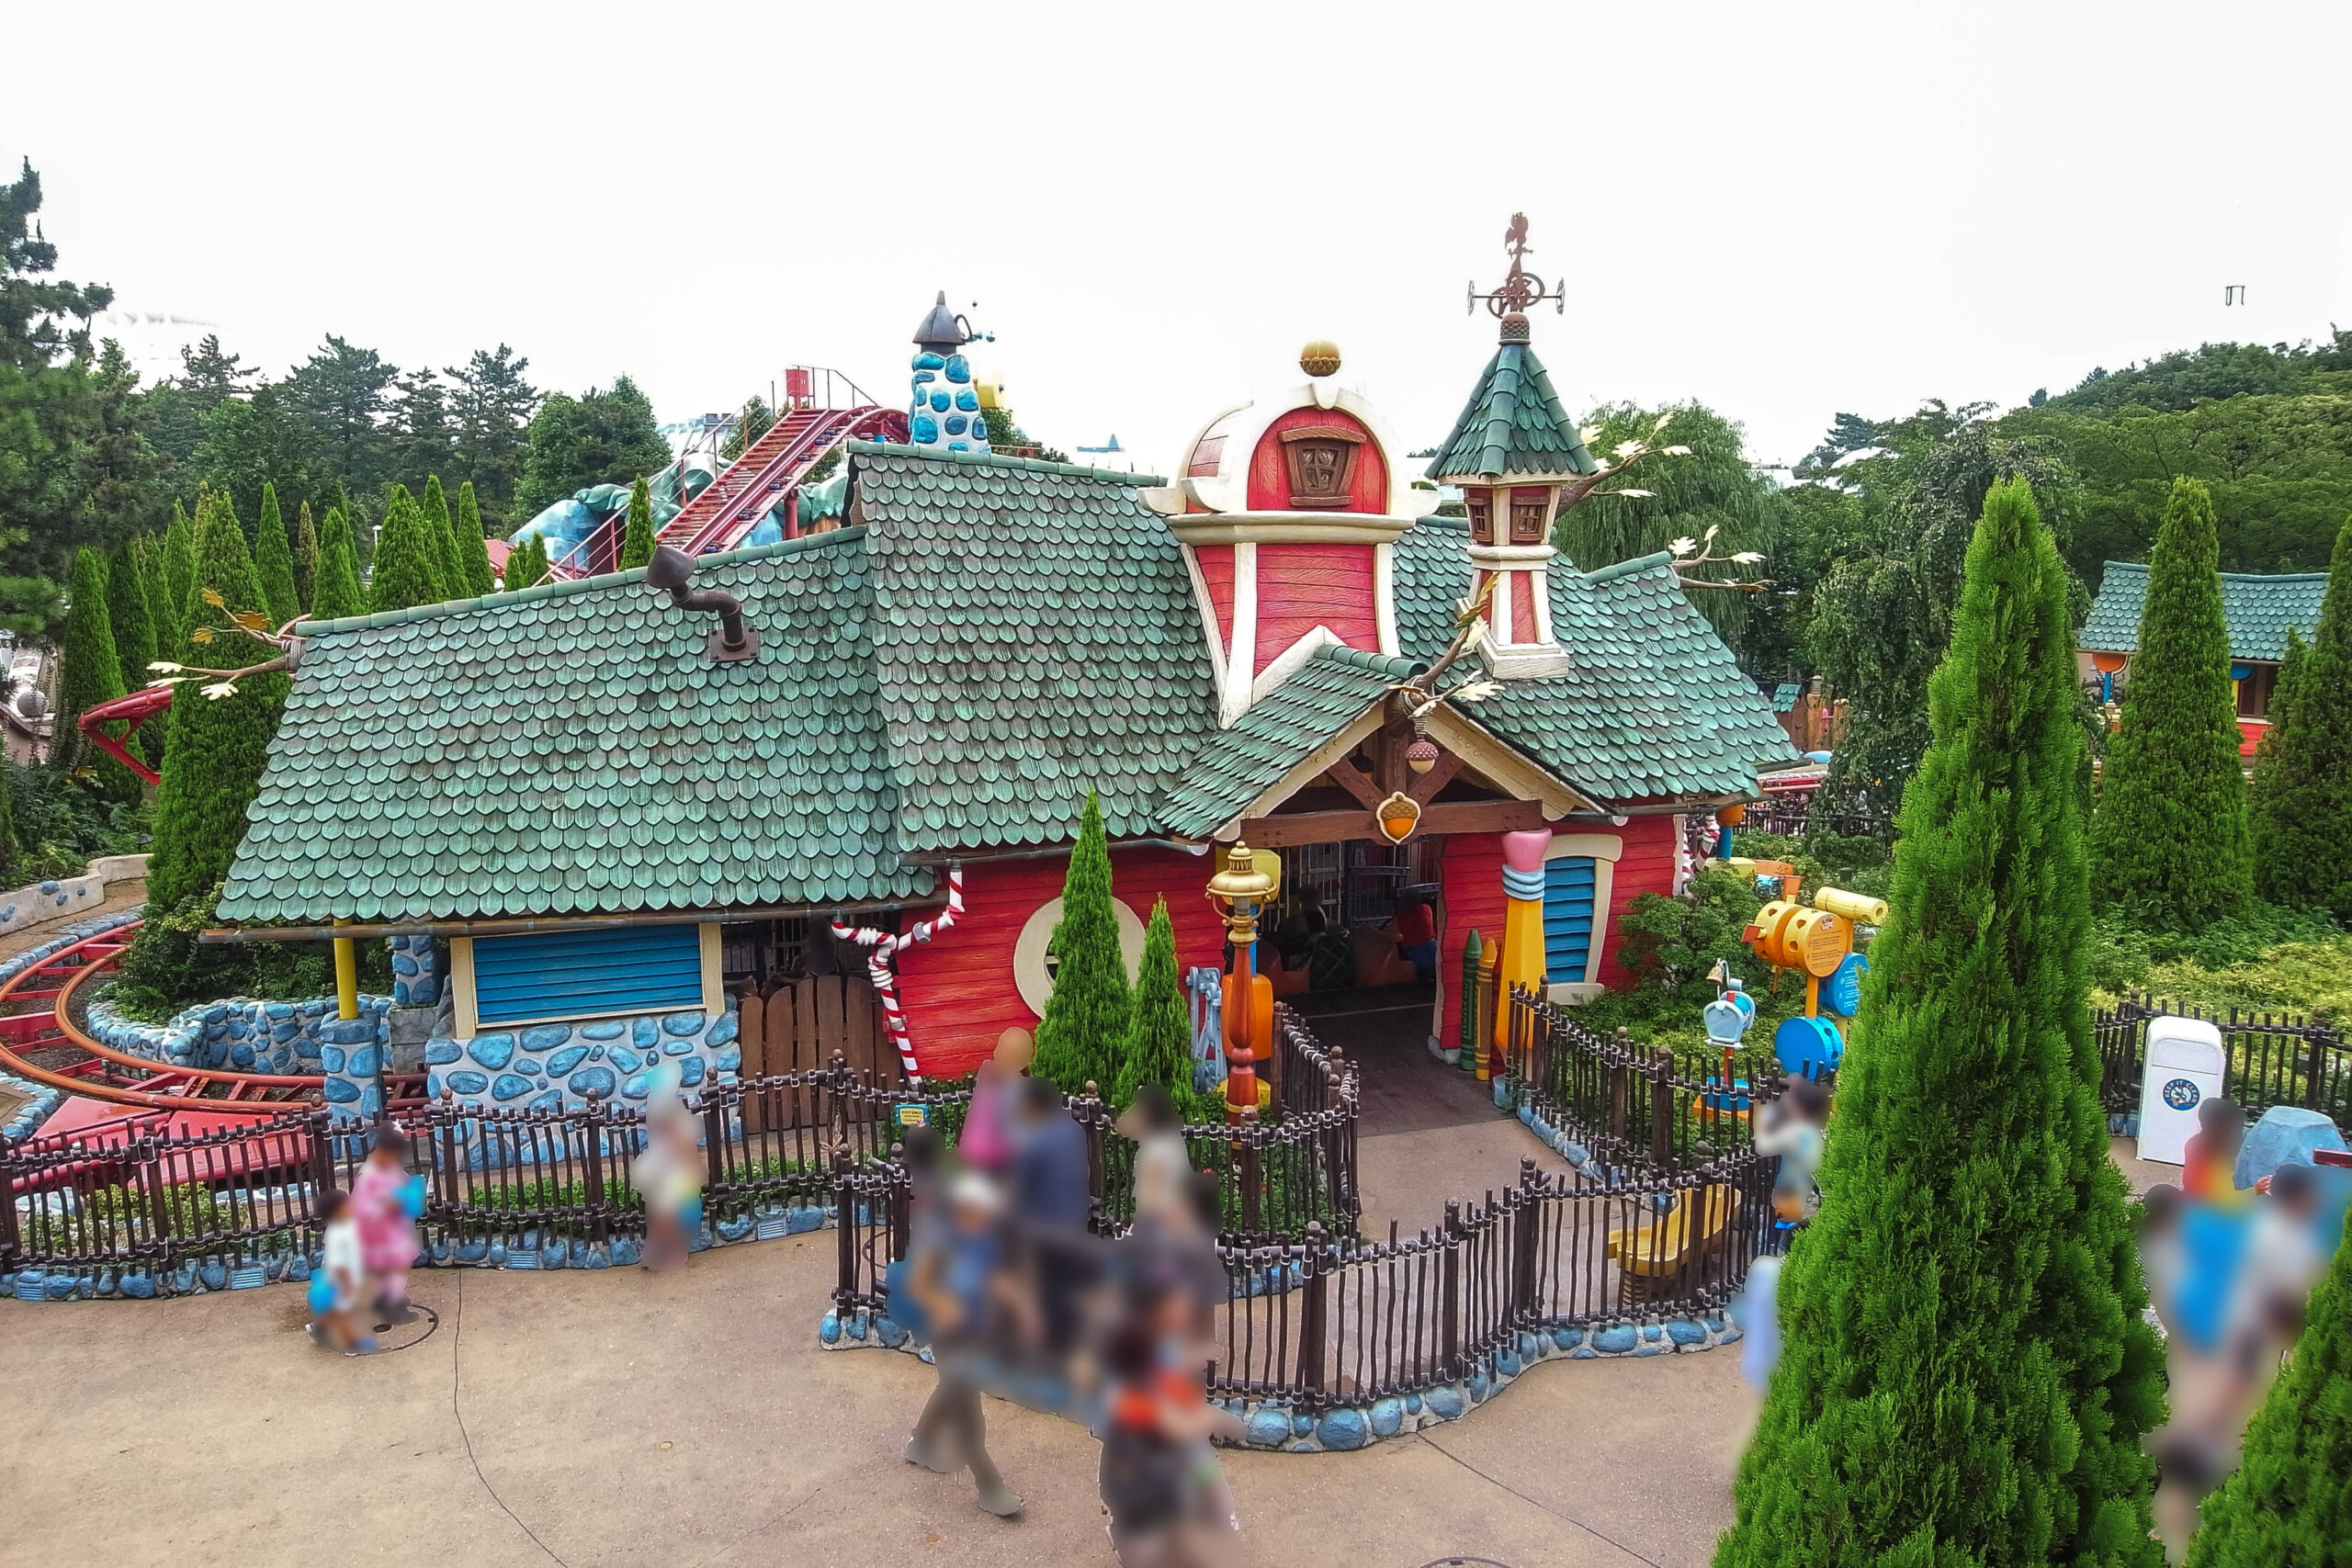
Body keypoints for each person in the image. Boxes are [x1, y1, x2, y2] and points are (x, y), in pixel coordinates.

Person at [905, 1172, 1024, 1517]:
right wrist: (944, 1306)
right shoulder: (940, 1241)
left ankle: (920, 1443)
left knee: (950, 1391)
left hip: (975, 1336)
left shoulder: (985, 1240)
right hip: (948, 1337)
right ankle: (990, 1489)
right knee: (970, 1418)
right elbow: (920, 1285)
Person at [633, 1072, 705, 1270]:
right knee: (655, 1212)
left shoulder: (680, 1127)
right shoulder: (661, 1123)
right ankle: (655, 1246)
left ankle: (673, 1249)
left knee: (667, 1212)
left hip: (680, 1177)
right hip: (664, 1173)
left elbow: (687, 1154)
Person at [351, 1124, 421, 1314]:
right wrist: (393, 1204)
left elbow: (402, 1180)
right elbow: (362, 1209)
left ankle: (389, 1296)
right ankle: (391, 1299)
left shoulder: (389, 1167)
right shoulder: (368, 1176)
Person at [1753, 1077, 1830, 1224]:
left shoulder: (1795, 1132)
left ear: (1798, 1106)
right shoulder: (1820, 1130)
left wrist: (1765, 1113)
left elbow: (1761, 1147)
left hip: (1796, 1204)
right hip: (1815, 1201)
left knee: (1785, 1235)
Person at [1117, 1083, 1193, 1228]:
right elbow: (1121, 1126)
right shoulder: (1172, 1137)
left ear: (1147, 1116)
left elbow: (1149, 1206)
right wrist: (1140, 1099)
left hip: (1162, 1227)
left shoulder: (1153, 1153)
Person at [959, 1028, 1032, 1179]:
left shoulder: (985, 1070)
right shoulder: (1016, 1086)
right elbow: (1015, 1130)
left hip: (970, 1147)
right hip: (994, 1155)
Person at [308, 1190, 373, 1354]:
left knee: (334, 1309)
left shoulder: (348, 1223)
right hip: (339, 1279)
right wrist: (347, 1285)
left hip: (348, 1274)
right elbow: (338, 1264)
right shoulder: (336, 1234)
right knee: (344, 1312)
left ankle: (319, 1328)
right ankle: (351, 1344)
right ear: (336, 1213)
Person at [2183, 1098, 2251, 1207]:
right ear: (2214, 1127)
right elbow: (2210, 1195)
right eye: (2236, 1128)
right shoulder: (2201, 1149)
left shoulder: (2225, 1147)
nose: (2239, 1133)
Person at [1390, 892, 1438, 983]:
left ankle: (1425, 973)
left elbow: (1398, 933)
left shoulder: (1401, 916)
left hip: (1414, 949)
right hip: (1432, 946)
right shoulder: (1426, 909)